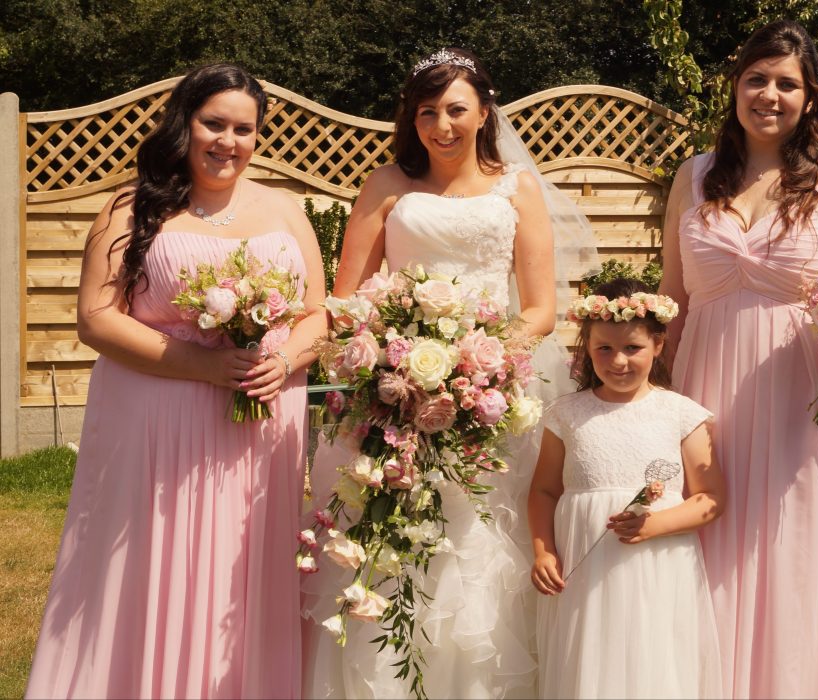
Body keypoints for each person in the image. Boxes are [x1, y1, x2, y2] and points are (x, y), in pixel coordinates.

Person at [301, 47, 597, 699]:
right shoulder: (385, 184)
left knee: (479, 547)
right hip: (392, 392)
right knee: (388, 540)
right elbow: (347, 297)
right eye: (427, 111)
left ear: (484, 111)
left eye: (456, 109)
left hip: (489, 396)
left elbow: (543, 308)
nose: (441, 124)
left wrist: (476, 366)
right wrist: (391, 364)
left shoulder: (517, 187)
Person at [26, 63, 326, 698]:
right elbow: (95, 318)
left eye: (244, 129)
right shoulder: (131, 207)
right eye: (213, 123)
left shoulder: (286, 209)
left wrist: (286, 359)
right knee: (154, 563)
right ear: (183, 123)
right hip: (159, 417)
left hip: (264, 423)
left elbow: (319, 314)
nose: (229, 141)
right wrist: (205, 366)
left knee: (245, 568)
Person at [658, 20, 818, 699]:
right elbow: (672, 299)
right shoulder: (692, 178)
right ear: (735, 87)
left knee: (793, 551)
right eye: (757, 78)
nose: (770, 95)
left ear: (811, 97)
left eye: (788, 83)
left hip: (806, 400)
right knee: (706, 541)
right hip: (705, 395)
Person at [527, 278, 725, 699]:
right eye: (604, 349)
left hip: (657, 567)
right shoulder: (565, 415)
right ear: (586, 350)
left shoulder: (681, 413)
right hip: (583, 569)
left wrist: (657, 523)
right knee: (588, 659)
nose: (618, 361)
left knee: (653, 658)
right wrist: (544, 549)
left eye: (632, 347)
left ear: (658, 345)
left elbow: (710, 498)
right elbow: (544, 490)